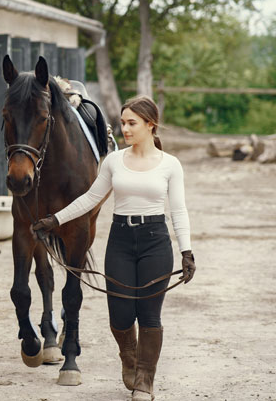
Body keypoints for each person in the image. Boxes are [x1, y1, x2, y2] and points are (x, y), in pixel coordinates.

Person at [31, 95, 196, 401]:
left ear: (150, 125)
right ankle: (129, 359)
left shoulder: (170, 165)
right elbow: (90, 198)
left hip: (155, 241)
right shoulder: (114, 161)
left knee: (149, 315)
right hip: (120, 240)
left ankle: (145, 379)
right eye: (122, 122)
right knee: (120, 316)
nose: (125, 129)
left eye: (132, 123)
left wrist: (186, 251)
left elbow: (179, 210)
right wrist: (54, 219)